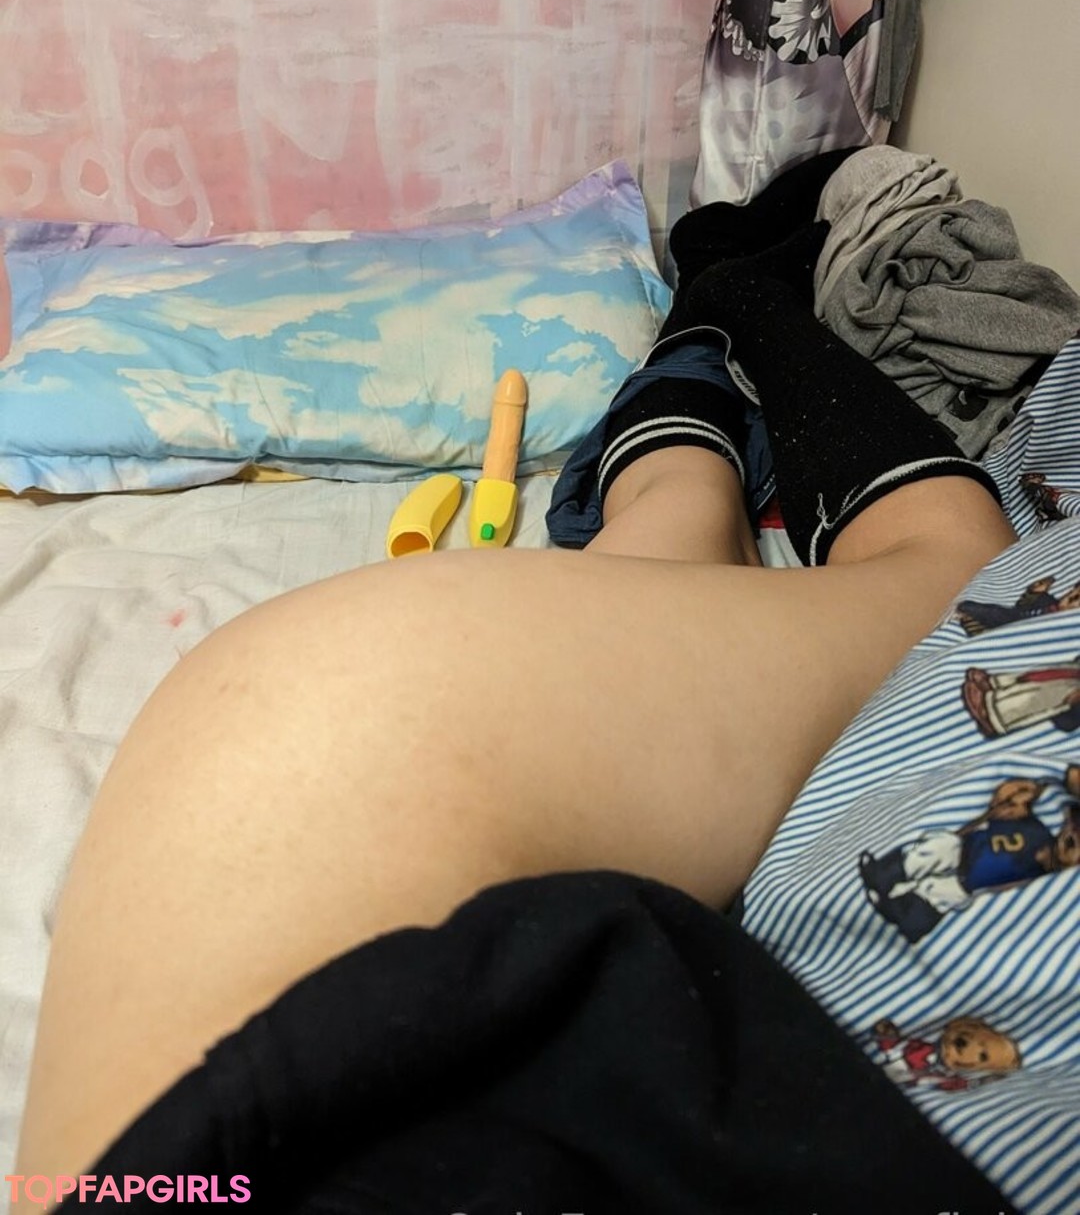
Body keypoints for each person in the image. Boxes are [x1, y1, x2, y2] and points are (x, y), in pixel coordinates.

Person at [16, 157, 1019, 1213]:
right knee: (947, 569)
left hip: (262, 978)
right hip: (326, 818)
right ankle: (730, 297)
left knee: (671, 531)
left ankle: (716, 300)